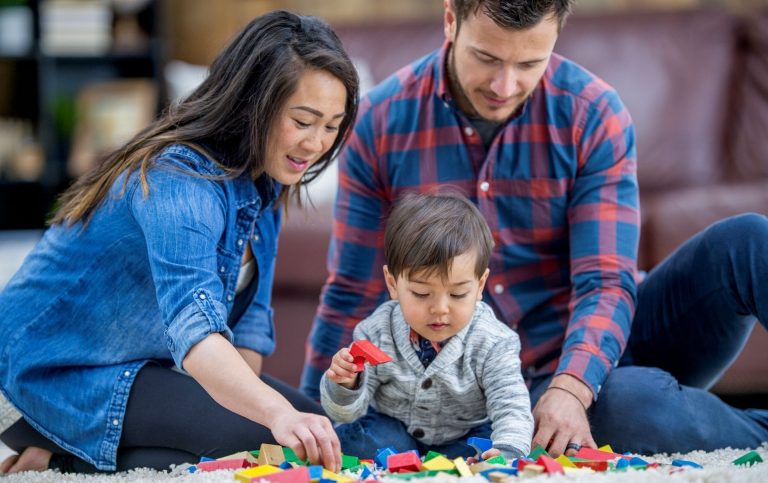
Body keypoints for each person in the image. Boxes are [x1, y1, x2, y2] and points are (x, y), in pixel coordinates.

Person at [301, 0, 768, 458]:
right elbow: (352, 290)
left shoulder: (592, 113)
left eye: (529, 63)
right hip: (483, 397)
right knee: (630, 407)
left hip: (595, 343)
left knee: (746, 241)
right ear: (450, 20)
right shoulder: (380, 121)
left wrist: (572, 386)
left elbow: (605, 281)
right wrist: (310, 415)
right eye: (486, 57)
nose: (505, 86)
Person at [0, 10, 358, 474]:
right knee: (266, 436)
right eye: (303, 121)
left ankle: (68, 445)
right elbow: (197, 331)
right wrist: (270, 419)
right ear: (252, 104)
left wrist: (260, 417)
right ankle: (57, 455)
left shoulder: (265, 184)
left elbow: (247, 330)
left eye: (331, 126)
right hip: (51, 368)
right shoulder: (178, 180)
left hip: (135, 365)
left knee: (325, 436)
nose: (317, 144)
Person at [321, 192, 533, 460]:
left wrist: (507, 451)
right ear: (393, 284)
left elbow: (511, 405)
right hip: (395, 433)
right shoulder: (376, 332)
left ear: (479, 285)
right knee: (359, 438)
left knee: (485, 444)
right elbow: (345, 413)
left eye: (457, 294)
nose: (440, 308)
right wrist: (347, 385)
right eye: (421, 293)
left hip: (464, 437)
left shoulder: (493, 341)